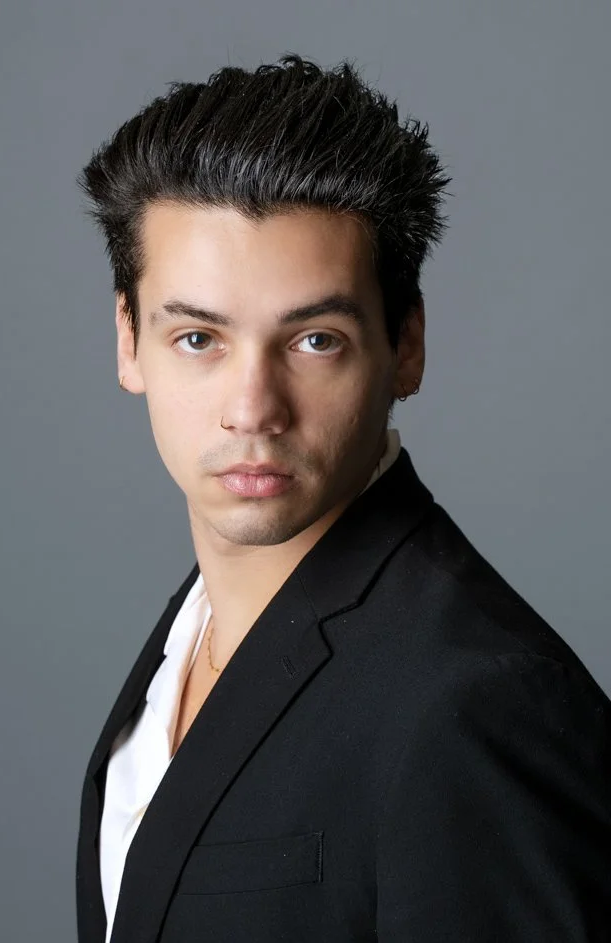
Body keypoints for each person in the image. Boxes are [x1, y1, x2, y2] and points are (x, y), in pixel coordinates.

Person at [73, 54, 611, 943]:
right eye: (199, 337)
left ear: (407, 346)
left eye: (315, 339)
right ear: (130, 341)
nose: (253, 409)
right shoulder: (189, 638)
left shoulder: (478, 706)